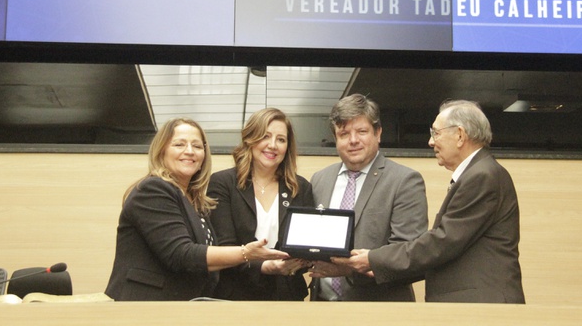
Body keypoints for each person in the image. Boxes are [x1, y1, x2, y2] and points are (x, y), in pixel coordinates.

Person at [333, 100, 525, 303]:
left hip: (482, 306)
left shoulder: (482, 175)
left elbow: (443, 242)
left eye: (436, 133)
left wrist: (372, 259)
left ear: (460, 135)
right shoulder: (480, 172)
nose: (431, 142)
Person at [105, 118, 288, 301]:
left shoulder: (194, 200)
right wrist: (245, 253)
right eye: (179, 144)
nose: (190, 151)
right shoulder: (153, 190)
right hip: (144, 306)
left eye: (197, 146)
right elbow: (182, 254)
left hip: (182, 306)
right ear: (162, 151)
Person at [309, 94, 428, 301]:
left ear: (378, 133)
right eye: (344, 134)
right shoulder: (320, 179)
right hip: (322, 307)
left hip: (379, 309)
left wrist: (350, 269)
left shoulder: (404, 181)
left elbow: (409, 255)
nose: (353, 140)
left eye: (362, 131)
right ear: (335, 139)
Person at [208, 108, 314, 300]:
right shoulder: (223, 183)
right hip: (233, 297)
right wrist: (265, 267)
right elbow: (223, 247)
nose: (272, 145)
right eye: (265, 136)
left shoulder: (300, 188)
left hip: (287, 297)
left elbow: (306, 246)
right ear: (250, 139)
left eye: (281, 139)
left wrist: (301, 262)